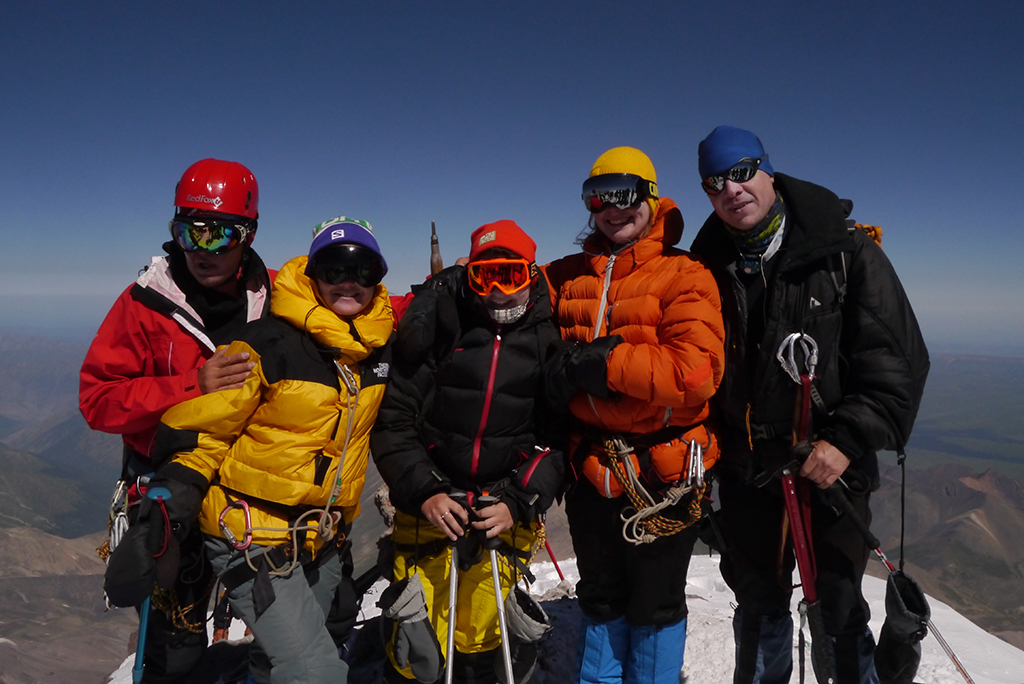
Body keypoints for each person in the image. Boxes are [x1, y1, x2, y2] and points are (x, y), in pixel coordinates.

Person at [689, 126, 929, 684]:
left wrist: (844, 440)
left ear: (768, 171)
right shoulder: (703, 268)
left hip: (830, 472)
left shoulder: (845, 251)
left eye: (741, 172)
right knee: (757, 604)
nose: (731, 189)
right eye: (714, 182)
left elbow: (897, 365)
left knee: (839, 606)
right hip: (749, 473)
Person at [116, 216, 395, 684]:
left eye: (363, 269)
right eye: (334, 268)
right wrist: (167, 506)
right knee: (314, 672)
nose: (349, 281)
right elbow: (205, 430)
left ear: (378, 279)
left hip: (321, 539)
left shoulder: (377, 351)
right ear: (312, 274)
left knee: (276, 659)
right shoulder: (266, 344)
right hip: (252, 537)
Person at [80, 158, 271, 683]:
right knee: (175, 646)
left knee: (278, 629)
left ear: (249, 235)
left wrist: (446, 288)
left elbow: (348, 305)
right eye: (190, 232)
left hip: (248, 493)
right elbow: (98, 400)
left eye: (219, 235)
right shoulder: (145, 304)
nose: (202, 250)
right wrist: (192, 386)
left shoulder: (276, 296)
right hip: (169, 496)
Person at [543, 147, 726, 684]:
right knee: (601, 596)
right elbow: (502, 290)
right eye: (597, 197)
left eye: (624, 194)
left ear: (651, 197)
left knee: (656, 603)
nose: (612, 209)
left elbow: (696, 372)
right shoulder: (566, 276)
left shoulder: (685, 274)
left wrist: (607, 363)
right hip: (591, 469)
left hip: (664, 473)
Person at [371, 220, 567, 684]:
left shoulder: (547, 340)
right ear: (469, 276)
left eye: (510, 276)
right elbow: (394, 421)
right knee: (418, 639)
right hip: (430, 509)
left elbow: (559, 439)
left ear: (532, 275)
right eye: (484, 276)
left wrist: (518, 501)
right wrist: (426, 491)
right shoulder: (442, 328)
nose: (497, 292)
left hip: (500, 508)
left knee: (483, 634)